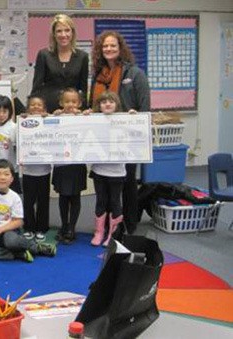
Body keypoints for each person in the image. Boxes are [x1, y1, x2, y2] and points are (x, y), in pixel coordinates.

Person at [89, 30, 151, 235]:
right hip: (103, 138)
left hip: (127, 137)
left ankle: (129, 223)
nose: (109, 49)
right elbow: (94, 104)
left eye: (113, 45)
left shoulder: (135, 74)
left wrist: (137, 119)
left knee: (128, 180)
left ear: (120, 48)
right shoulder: (97, 76)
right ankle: (108, 224)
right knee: (105, 184)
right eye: (105, 46)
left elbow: (144, 107)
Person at [0, 160, 56, 263]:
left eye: (6, 174)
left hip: (8, 231)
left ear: (12, 179)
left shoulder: (15, 197)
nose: (2, 177)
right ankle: (17, 254)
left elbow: (18, 222)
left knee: (10, 241)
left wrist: (0, 230)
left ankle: (36, 247)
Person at [90, 91, 130, 246]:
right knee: (101, 201)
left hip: (117, 171)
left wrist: (134, 117)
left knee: (115, 202)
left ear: (117, 105)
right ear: (98, 106)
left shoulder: (125, 120)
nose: (107, 104)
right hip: (99, 170)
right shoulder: (94, 120)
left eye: (111, 101)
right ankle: (99, 232)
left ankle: (112, 235)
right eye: (103, 102)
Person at [30, 14, 89, 114]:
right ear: (53, 34)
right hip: (48, 110)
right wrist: (32, 110)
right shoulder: (44, 55)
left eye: (67, 30)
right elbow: (36, 87)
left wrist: (82, 110)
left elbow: (83, 89)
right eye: (59, 31)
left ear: (72, 33)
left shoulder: (83, 56)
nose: (63, 35)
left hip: (72, 111)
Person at [51, 88, 87, 244]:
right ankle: (64, 225)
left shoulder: (84, 117)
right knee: (63, 197)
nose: (70, 104)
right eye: (67, 101)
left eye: (74, 101)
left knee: (75, 196)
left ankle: (72, 227)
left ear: (79, 103)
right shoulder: (56, 117)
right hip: (61, 164)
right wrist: (52, 116)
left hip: (77, 164)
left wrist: (86, 116)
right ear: (61, 103)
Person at [19, 96, 52, 243]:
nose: (36, 107)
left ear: (44, 108)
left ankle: (41, 228)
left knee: (43, 201)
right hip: (28, 171)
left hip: (44, 170)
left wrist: (49, 118)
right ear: (28, 108)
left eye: (39, 105)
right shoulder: (23, 121)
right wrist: (22, 119)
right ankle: (29, 227)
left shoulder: (49, 121)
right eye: (32, 105)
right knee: (28, 201)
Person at [0, 95, 20, 193]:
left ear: (10, 112)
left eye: (4, 111)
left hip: (10, 171)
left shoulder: (14, 127)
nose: (1, 115)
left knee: (11, 200)